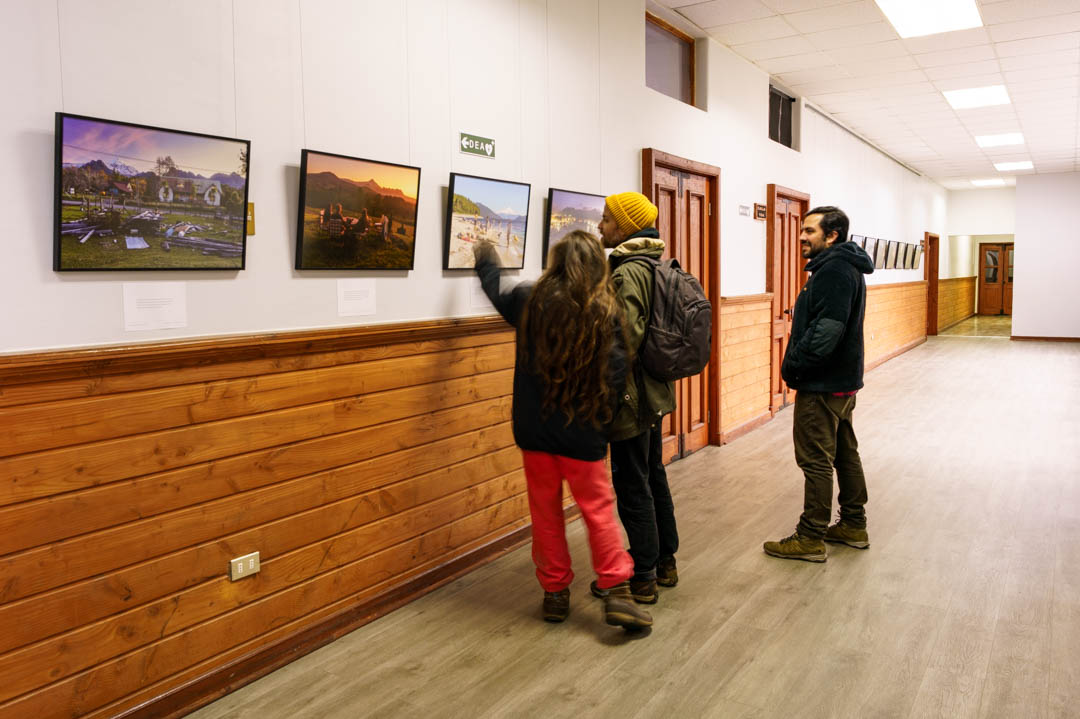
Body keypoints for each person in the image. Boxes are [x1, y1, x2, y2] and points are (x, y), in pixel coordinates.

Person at [473, 231, 652, 630]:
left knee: (545, 513)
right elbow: (618, 373)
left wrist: (485, 257)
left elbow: (496, 290)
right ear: (595, 266)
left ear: (556, 263)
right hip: (583, 432)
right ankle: (617, 589)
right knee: (598, 512)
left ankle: (554, 594)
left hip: (535, 432)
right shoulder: (605, 309)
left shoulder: (529, 301)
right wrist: (602, 422)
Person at [763, 205, 874, 562]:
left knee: (815, 460)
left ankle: (810, 536)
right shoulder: (846, 267)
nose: (801, 237)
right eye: (802, 230)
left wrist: (793, 367)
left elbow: (827, 331)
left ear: (832, 236)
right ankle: (853, 525)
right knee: (844, 453)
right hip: (842, 381)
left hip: (823, 384)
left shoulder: (834, 271)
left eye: (809, 231)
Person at [593, 192, 678, 605]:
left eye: (606, 220)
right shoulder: (653, 264)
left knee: (632, 483)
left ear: (624, 226)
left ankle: (642, 574)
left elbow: (623, 338)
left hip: (630, 395)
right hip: (654, 392)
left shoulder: (627, 273)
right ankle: (664, 560)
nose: (600, 226)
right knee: (652, 473)